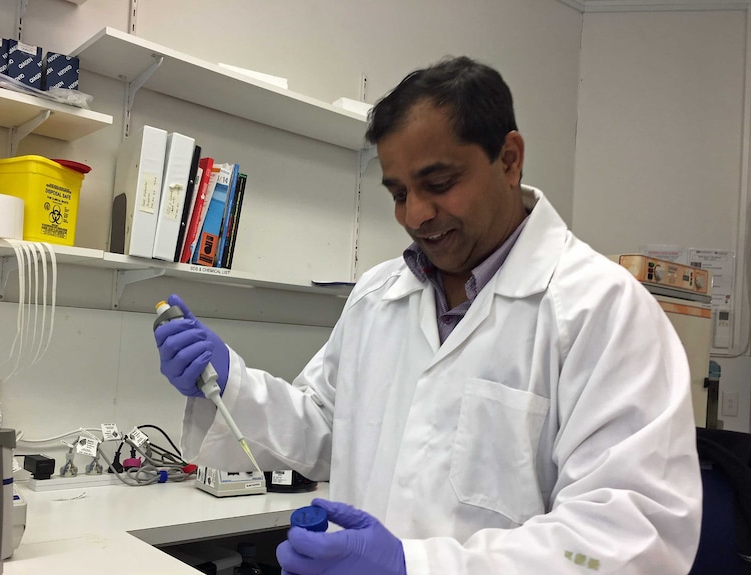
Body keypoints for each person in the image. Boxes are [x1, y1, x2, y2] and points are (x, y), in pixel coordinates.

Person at [155, 55, 702, 574]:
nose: (416, 214)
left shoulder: (601, 311)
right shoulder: (378, 296)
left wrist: (414, 567)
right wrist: (228, 385)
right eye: (398, 193)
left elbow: (629, 538)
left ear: (509, 159)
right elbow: (324, 428)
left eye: (439, 184)